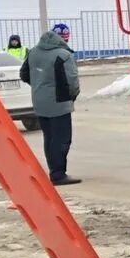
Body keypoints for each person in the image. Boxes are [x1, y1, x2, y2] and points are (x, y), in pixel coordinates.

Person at [22, 23, 80, 186]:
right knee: (62, 140)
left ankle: (54, 171)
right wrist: (72, 96)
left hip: (39, 103)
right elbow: (72, 81)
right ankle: (58, 175)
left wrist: (40, 87)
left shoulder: (33, 52)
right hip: (59, 103)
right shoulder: (63, 55)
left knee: (49, 138)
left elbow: (24, 74)